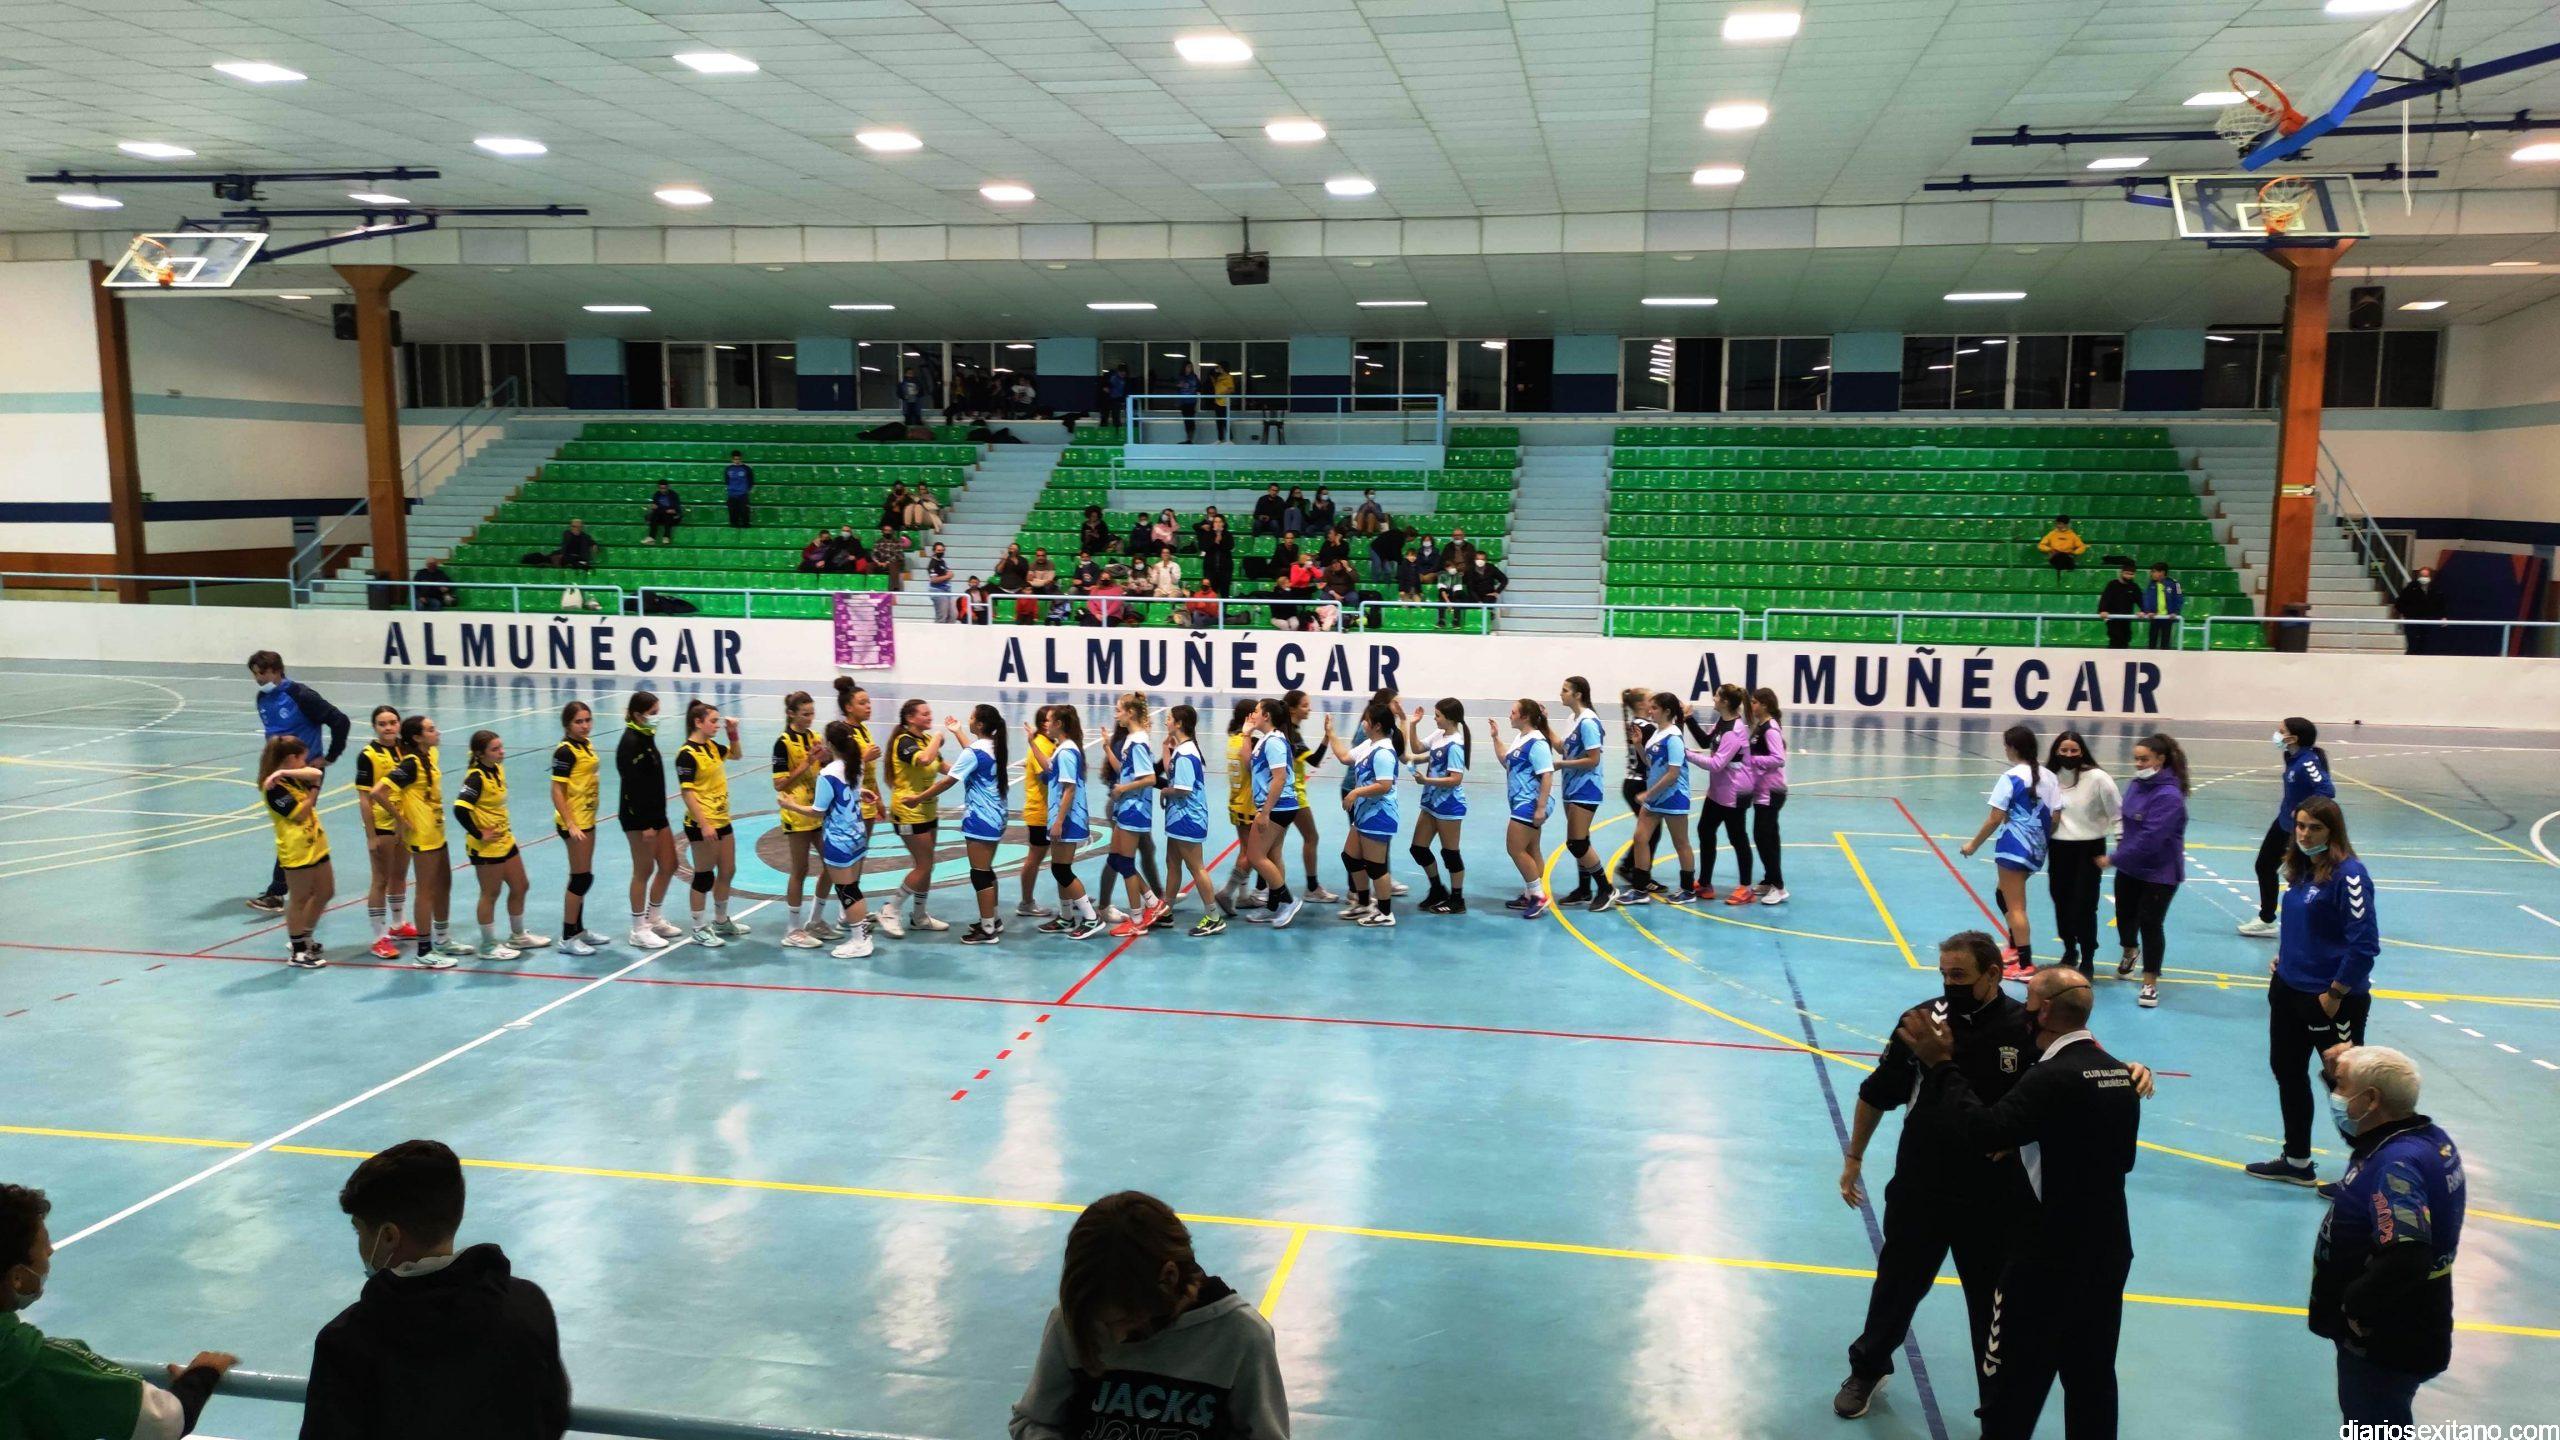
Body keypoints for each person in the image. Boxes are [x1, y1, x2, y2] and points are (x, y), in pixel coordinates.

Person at [1896, 967, 2141, 1440]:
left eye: (2028, 1000)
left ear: (2044, 1011)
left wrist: (1942, 1065)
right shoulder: (2118, 1072)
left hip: (2045, 1258)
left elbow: (1986, 1130)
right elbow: (2108, 1154)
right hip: (2108, 1250)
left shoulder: (2049, 1077)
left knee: (2012, 1381)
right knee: (2091, 1375)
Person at [1832, 931, 2035, 1421]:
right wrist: (1854, 1157)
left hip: (1994, 1195)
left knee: (1992, 1304)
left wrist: (2130, 1070)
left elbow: (2062, 1084)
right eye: (1944, 974)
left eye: (1959, 975)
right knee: (1897, 1284)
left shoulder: (2026, 1028)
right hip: (1922, 1185)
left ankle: (1996, 1402)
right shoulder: (1920, 1024)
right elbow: (1877, 1092)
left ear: (1993, 973)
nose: (1949, 984)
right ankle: (1868, 1368)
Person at [305, 1140, 571, 1440]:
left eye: (359, 1231)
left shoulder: (346, 1343)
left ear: (389, 1236)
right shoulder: (527, 1306)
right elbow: (552, 1414)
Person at [1007, 1191, 1289, 1440]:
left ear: (1169, 1277)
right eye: (1100, 1323)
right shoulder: (1076, 1321)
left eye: (1125, 1320)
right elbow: (1033, 1421)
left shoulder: (1241, 1337)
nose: (1115, 1338)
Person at [0, 1183, 236, 1440]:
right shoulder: (38, 1364)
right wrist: (201, 1375)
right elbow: (166, 1422)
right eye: (45, 1250)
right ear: (18, 1278)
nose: (50, 1253)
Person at [2310, 1045, 2465, 1427]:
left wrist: (2352, 1305)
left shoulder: (2396, 1165)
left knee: (2374, 1422)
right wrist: (2333, 1073)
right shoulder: (2423, 1138)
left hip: (2384, 1336)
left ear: (2371, 1100)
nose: (2336, 1096)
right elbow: (2363, 1136)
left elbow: (2407, 1255)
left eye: (2341, 1087)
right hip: (2415, 1321)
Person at [2248, 795, 2380, 1188]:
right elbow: (2309, 927)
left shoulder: (2350, 876)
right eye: (2301, 826)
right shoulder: (2303, 870)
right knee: (2287, 1071)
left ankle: (2367, 1174)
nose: (2305, 834)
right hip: (2288, 991)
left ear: (2333, 831)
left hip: (2330, 1001)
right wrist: (2286, 958)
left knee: (2348, 1084)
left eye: (2315, 828)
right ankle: (2297, 1160)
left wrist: (2335, 993)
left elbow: (2364, 945)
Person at [246, 650, 350, 913]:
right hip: (275, 772)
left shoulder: (302, 696)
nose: (258, 679)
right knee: (293, 828)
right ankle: (306, 885)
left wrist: (330, 756)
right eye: (255, 674)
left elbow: (340, 721)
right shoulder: (262, 698)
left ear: (277, 670)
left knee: (294, 826)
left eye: (262, 673)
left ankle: (278, 892)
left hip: (303, 773)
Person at [2099, 732, 2189, 1009]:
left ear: (2160, 759)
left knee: (2151, 924)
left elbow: (2151, 838)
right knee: (2125, 916)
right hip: (2130, 867)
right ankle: (2130, 951)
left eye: (2144, 759)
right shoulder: (2136, 784)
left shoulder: (2169, 796)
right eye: (2136, 759)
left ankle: (2150, 982)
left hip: (2159, 873)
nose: (2138, 764)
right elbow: (2125, 820)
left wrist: (2114, 857)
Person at [1960, 724, 2058, 975]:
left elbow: (1995, 817)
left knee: (2016, 907)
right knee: (2002, 893)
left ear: (2012, 748)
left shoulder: (2010, 777)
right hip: (2037, 848)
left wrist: (1973, 845)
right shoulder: (2050, 777)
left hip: (2014, 846)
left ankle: (2024, 963)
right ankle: (2014, 947)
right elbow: (2055, 818)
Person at [777, 721, 879, 960]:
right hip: (857, 834)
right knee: (852, 887)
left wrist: (790, 805)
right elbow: (847, 792)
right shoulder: (856, 764)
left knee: (847, 890)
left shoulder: (828, 773)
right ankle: (861, 937)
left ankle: (860, 941)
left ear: (830, 744)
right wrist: (860, 793)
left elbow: (818, 811)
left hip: (838, 839)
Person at [911, 705, 1010, 946]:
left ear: (979, 724)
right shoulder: (995, 746)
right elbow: (974, 753)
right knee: (986, 870)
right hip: (997, 815)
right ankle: (993, 919)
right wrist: (958, 732)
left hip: (981, 818)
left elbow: (948, 782)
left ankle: (987, 929)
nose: (969, 719)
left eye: (972, 717)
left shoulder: (975, 752)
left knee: (979, 874)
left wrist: (918, 798)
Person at [453, 729, 548, 961]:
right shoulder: (475, 778)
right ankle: (488, 946)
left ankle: (518, 936)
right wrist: (478, 833)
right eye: (495, 749)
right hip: (486, 847)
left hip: (505, 839)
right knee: (490, 893)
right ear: (480, 754)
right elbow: (460, 808)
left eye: (501, 747)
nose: (501, 752)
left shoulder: (496, 769)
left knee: (520, 885)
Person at [375, 714, 460, 969]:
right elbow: (378, 792)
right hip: (423, 835)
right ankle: (424, 951)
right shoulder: (411, 763)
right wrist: (400, 819)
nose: (437, 732)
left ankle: (442, 939)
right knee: (426, 890)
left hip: (437, 830)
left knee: (444, 883)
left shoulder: (429, 757)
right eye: (431, 729)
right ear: (417, 737)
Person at [2239, 717, 2336, 938]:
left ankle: (2312, 921)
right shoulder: (2291, 757)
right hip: (2283, 822)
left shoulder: (2308, 762)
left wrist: (2303, 809)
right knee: (2264, 865)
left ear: (2293, 738)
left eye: (2281, 731)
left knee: (2303, 876)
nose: (2277, 735)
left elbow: (2327, 791)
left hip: (2299, 830)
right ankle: (2267, 919)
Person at [2044, 730, 2120, 973]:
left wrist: (2121, 848)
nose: (2069, 755)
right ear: (2056, 752)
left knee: (2085, 905)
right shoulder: (2048, 778)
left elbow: (2118, 813)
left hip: (2090, 848)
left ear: (2082, 752)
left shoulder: (2098, 778)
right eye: (2064, 750)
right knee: (2060, 900)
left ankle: (2088, 957)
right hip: (2058, 848)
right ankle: (2069, 950)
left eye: (2074, 750)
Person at [257, 735, 335, 969]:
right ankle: (298, 951)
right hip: (296, 849)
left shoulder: (289, 777)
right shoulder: (273, 789)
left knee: (325, 892)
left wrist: (284, 772)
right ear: (291, 758)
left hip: (316, 843)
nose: (305, 763)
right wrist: (313, 791)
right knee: (299, 899)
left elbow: (317, 772)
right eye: (302, 758)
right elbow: (300, 813)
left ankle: (306, 935)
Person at [675, 700, 748, 946]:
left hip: (722, 819)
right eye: (713, 721)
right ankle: (698, 927)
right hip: (702, 824)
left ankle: (720, 920)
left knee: (728, 870)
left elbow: (736, 755)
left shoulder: (712, 747)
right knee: (704, 876)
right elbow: (687, 793)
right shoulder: (687, 754)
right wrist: (704, 824)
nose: (717, 725)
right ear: (698, 722)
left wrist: (733, 733)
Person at [1614, 692, 1696, 906]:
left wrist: (1647, 794)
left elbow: (1673, 774)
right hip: (1655, 797)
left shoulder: (1674, 737)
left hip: (1673, 796)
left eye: (1655, 708)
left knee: (1681, 843)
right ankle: (1640, 889)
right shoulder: (1657, 734)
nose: (1650, 711)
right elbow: (1650, 764)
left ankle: (1688, 889)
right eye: (1649, 707)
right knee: (1641, 838)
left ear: (1667, 711)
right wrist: (1639, 745)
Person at [616, 692, 683, 950]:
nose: (657, 717)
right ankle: (638, 929)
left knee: (669, 864)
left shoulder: (646, 736)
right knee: (643, 870)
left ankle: (653, 918)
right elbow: (632, 786)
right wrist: (645, 824)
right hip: (638, 818)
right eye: (652, 713)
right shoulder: (630, 743)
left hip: (657, 814)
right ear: (637, 715)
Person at [880, 698, 949, 939]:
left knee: (927, 865)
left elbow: (942, 766)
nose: (929, 717)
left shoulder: (926, 740)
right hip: (908, 811)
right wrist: (938, 738)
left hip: (928, 810)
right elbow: (924, 760)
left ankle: (919, 916)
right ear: (910, 718)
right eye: (924, 714)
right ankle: (890, 909)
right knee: (924, 865)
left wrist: (973, 768)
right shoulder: (904, 741)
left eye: (930, 713)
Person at [546, 703, 610, 958]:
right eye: (578, 722)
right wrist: (570, 823)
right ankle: (567, 937)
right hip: (575, 823)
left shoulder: (586, 744)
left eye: (587, 720)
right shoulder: (565, 751)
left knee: (584, 875)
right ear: (567, 725)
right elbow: (557, 790)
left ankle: (578, 929)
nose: (585, 726)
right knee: (580, 879)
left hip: (587, 817)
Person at [1681, 685, 1753, 908]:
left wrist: (1686, 754)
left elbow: (1716, 764)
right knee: (1705, 830)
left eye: (1717, 695)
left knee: (1737, 838)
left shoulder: (1734, 731)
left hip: (1734, 793)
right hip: (1718, 791)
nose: (1713, 698)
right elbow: (1706, 742)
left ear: (1725, 702)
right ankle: (1705, 883)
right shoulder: (1722, 722)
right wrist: (1688, 718)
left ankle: (1746, 887)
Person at [351, 706, 412, 961]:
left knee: (400, 874)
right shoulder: (368, 755)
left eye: (392, 722)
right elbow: (365, 798)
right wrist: (371, 835)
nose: (388, 727)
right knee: (380, 879)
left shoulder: (405, 749)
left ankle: (398, 924)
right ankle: (379, 938)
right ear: (374, 727)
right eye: (382, 723)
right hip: (383, 824)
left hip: (405, 823)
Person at [769, 693, 830, 948]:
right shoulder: (782, 743)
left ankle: (815, 920)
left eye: (812, 713)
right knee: (800, 869)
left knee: (832, 864)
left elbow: (823, 768)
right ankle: (792, 930)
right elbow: (779, 784)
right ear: (791, 714)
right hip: (796, 813)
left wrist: (825, 759)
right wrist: (806, 763)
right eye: (805, 714)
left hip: (817, 809)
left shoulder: (814, 737)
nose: (810, 718)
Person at [1487, 699, 1557, 920]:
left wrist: (1541, 808)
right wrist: (1496, 737)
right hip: (1521, 801)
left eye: (1513, 712)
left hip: (1530, 802)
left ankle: (1538, 896)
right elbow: (1506, 761)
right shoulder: (1521, 738)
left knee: (1515, 848)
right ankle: (1530, 894)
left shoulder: (1537, 742)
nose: (1510, 715)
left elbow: (1547, 775)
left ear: (1525, 717)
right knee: (1532, 849)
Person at [1551, 677, 1613, 908]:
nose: (1561, 693)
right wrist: (1544, 724)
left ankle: (1606, 889)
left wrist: (1562, 764)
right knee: (1582, 839)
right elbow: (1563, 747)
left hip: (1586, 788)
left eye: (1565, 690)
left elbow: (1593, 759)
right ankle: (1584, 888)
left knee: (1576, 843)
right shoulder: (1572, 719)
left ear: (1578, 695)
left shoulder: (1588, 722)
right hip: (1572, 787)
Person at [1741, 688, 1790, 906]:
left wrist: (1752, 761)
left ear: (1765, 705)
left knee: (1763, 836)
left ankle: (1779, 887)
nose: (1751, 706)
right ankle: (1770, 879)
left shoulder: (1770, 729)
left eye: (1754, 702)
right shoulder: (1760, 726)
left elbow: (1778, 759)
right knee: (1769, 837)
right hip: (1762, 790)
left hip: (1771, 791)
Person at [2393, 564, 2447, 654]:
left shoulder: (2436, 589)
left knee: (2427, 645)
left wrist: (2443, 616)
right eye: (2422, 576)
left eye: (2426, 576)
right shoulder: (2411, 588)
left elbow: (2441, 604)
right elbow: (2400, 603)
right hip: (2413, 621)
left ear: (2430, 577)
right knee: (2413, 645)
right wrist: (2405, 614)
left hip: (2430, 622)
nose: (2424, 578)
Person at [2139, 562, 2183, 650]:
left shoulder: (2176, 584)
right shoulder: (2151, 585)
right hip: (2154, 617)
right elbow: (2147, 599)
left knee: (2165, 644)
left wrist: (2175, 612)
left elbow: (2180, 598)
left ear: (2162, 572)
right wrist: (2148, 611)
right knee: (2152, 643)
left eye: (2154, 571)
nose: (2152, 574)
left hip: (2168, 618)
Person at [2097, 561, 2140, 649]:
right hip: (2113, 620)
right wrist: (2102, 610)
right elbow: (2105, 599)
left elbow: (2141, 601)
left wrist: (2143, 611)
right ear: (2121, 572)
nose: (2129, 576)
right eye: (2127, 573)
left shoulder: (2134, 587)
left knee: (2125, 640)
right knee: (2115, 640)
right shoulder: (2112, 584)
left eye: (2131, 574)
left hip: (2126, 620)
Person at [2037, 514, 2086, 578]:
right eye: (2057, 524)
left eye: (2060, 524)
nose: (2058, 526)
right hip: (2055, 556)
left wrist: (2074, 552)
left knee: (2064, 558)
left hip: (2067, 556)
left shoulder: (2072, 535)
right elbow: (2041, 545)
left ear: (2066, 524)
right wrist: (2050, 549)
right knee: (2060, 558)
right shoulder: (2052, 534)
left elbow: (2082, 547)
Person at [644, 479, 683, 545]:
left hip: (672, 516)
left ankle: (666, 537)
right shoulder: (657, 494)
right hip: (660, 515)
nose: (663, 490)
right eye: (661, 488)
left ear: (668, 487)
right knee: (655, 515)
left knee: (667, 515)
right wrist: (664, 509)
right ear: (658, 488)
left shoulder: (673, 495)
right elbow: (655, 508)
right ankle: (651, 538)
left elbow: (676, 509)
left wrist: (661, 508)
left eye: (664, 488)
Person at [722, 450, 753, 529]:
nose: (737, 461)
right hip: (732, 494)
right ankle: (734, 526)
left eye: (738, 459)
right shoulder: (728, 469)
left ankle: (746, 526)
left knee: (744, 511)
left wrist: (746, 490)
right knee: (733, 512)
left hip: (742, 494)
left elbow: (751, 481)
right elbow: (727, 481)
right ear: (732, 459)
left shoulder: (746, 469)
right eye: (735, 459)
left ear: (741, 459)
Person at [926, 543, 955, 621]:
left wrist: (949, 574)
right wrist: (947, 576)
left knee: (953, 615)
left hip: (947, 590)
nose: (941, 552)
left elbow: (949, 572)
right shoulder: (932, 563)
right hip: (938, 591)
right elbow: (934, 579)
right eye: (938, 550)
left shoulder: (943, 561)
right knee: (942, 616)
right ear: (934, 551)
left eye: (942, 550)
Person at [1208, 364, 1236, 440]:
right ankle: (1220, 439)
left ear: (1223, 368)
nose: (1218, 368)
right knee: (1219, 422)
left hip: (1224, 403)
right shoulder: (1219, 377)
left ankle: (1230, 439)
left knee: (1225, 422)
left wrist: (1222, 394)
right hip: (1217, 402)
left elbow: (1232, 389)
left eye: (1220, 367)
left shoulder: (1228, 377)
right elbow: (1216, 386)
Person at [1176, 362, 1200, 442]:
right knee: (1186, 420)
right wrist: (1179, 386)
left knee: (1190, 419)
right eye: (1188, 367)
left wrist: (1193, 387)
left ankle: (1190, 439)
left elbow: (1199, 387)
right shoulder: (1181, 377)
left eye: (1191, 367)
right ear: (1184, 367)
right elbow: (1176, 388)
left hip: (1191, 401)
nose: (1190, 368)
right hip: (1183, 401)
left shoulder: (1194, 377)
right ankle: (1188, 439)